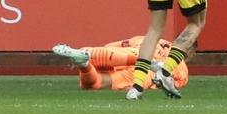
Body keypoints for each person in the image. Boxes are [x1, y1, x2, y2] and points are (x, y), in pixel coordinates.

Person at [53, 36, 189, 90]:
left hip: (130, 54)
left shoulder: (148, 38)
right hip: (146, 74)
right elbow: (171, 84)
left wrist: (101, 53)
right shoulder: (182, 66)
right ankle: (84, 64)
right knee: (98, 83)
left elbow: (111, 46)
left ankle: (85, 60)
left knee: (94, 60)